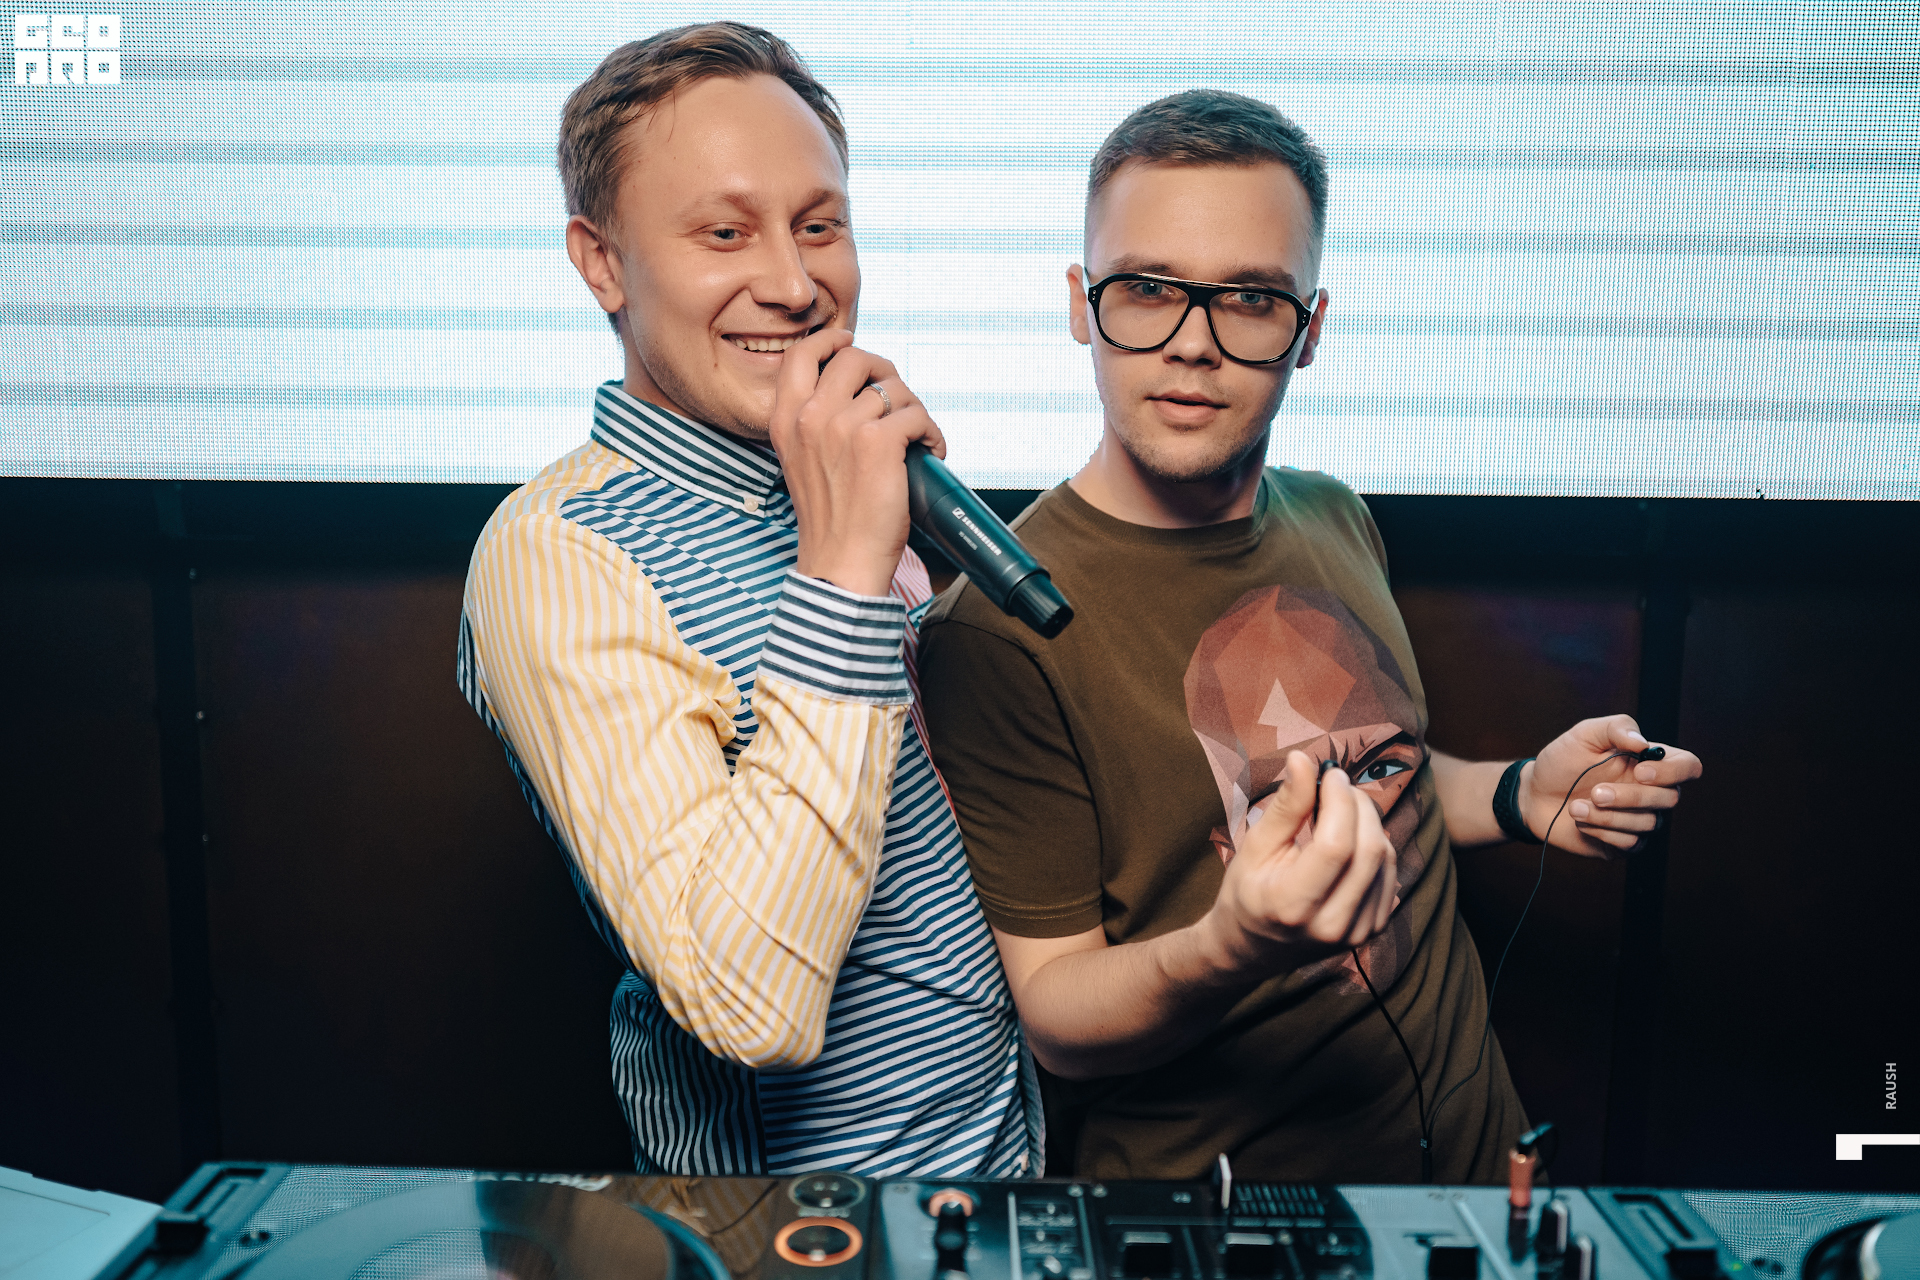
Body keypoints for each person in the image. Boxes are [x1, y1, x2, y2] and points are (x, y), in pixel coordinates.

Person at [917, 90, 1704, 1184]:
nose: (1193, 345)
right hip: (1226, 1219)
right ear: (1081, 306)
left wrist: (1520, 792)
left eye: (1250, 298)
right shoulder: (994, 630)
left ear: (1311, 329)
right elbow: (1055, 1012)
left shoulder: (1335, 514)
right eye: (1147, 289)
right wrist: (1231, 944)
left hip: (1482, 1177)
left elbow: (1382, 770)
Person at [457, 22, 1038, 1177]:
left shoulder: (839, 485)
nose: (794, 283)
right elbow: (748, 1002)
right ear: (602, 263)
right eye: (725, 233)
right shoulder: (556, 555)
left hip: (1003, 1168)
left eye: (819, 226)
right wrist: (845, 569)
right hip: (804, 1222)